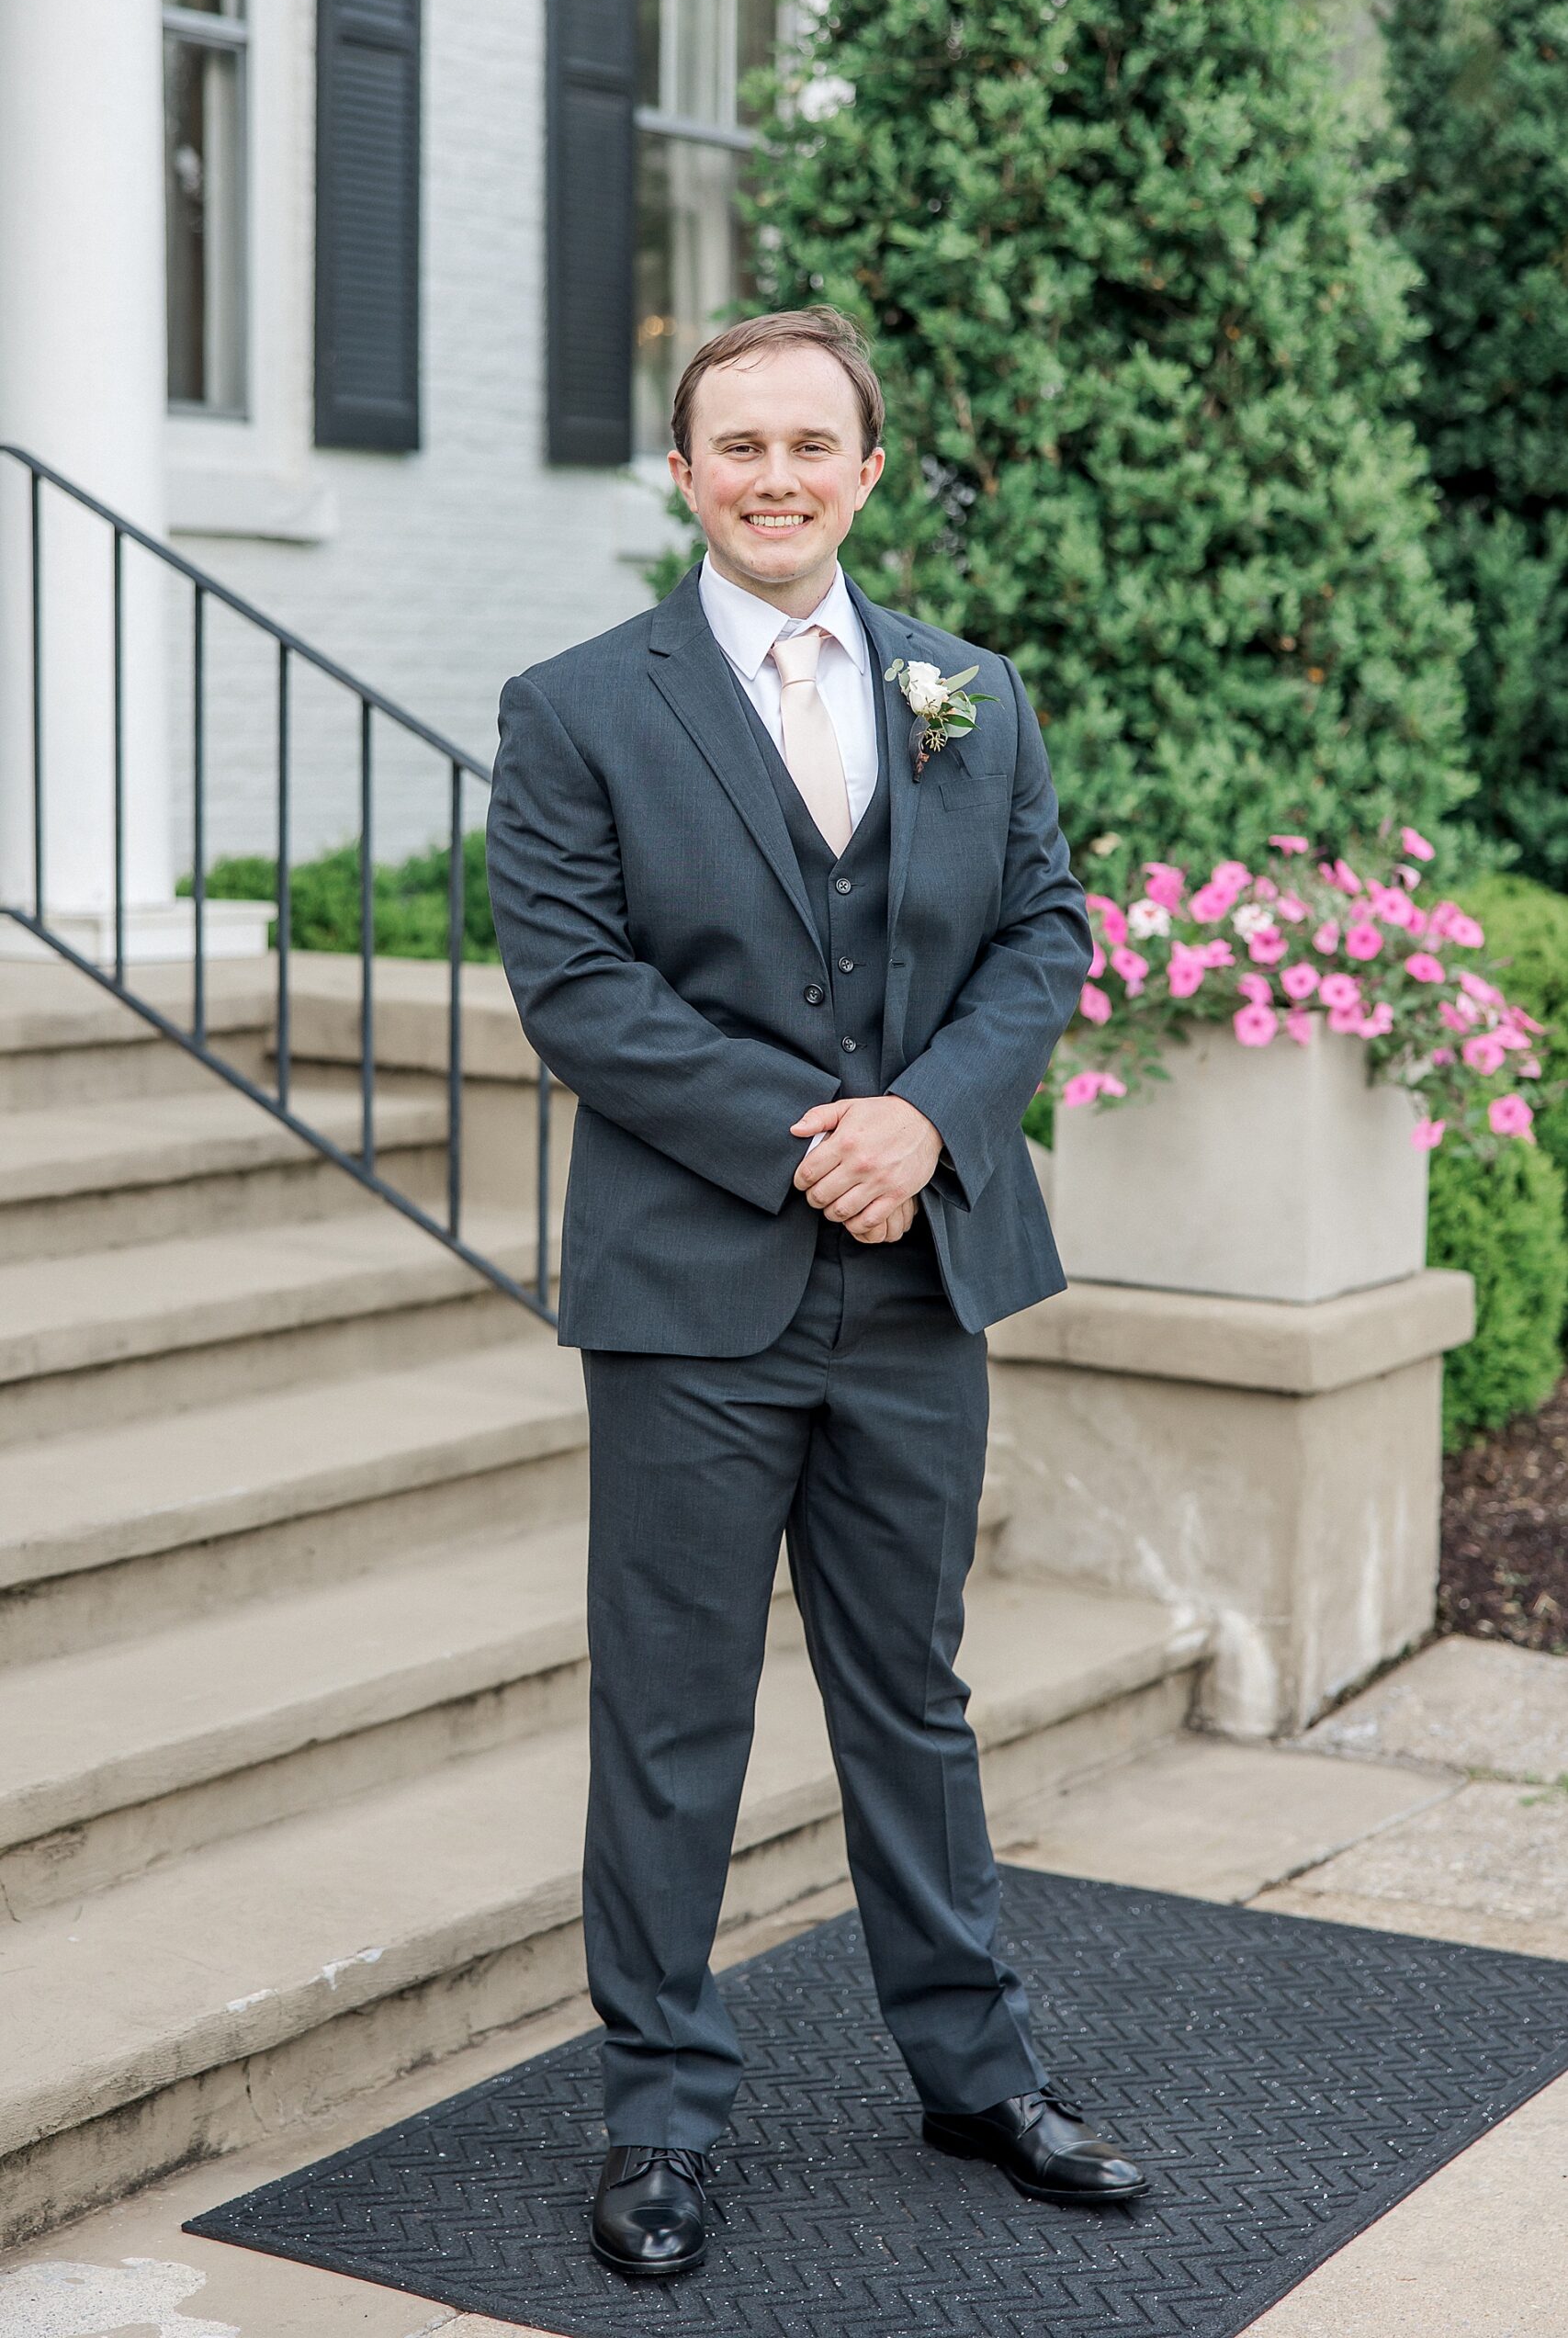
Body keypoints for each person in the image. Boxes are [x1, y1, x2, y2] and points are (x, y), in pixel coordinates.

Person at [485, 306, 1145, 2278]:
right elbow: (578, 990)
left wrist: (925, 1123)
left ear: (865, 470)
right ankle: (663, 2112)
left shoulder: (970, 691)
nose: (772, 474)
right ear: (679, 476)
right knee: (674, 1712)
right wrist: (813, 1131)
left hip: (918, 1276)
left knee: (911, 1695)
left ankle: (972, 2068)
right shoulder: (575, 703)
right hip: (692, 1289)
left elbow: (1042, 929)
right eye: (734, 443)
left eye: (808, 443)